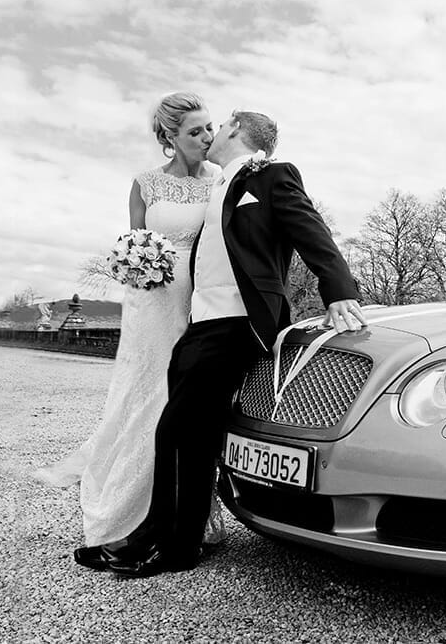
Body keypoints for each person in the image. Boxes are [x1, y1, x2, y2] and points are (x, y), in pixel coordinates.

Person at [88, 109, 367, 577]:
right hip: (199, 324)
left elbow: (313, 232)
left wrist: (339, 292)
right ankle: (171, 542)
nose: (212, 132)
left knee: (175, 431)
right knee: (190, 437)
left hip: (239, 324)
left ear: (236, 129)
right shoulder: (215, 186)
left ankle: (160, 542)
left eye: (219, 125)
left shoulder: (271, 176)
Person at [33, 92, 230, 558]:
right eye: (195, 131)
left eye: (210, 127)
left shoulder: (220, 179)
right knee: (147, 395)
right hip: (152, 302)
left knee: (189, 400)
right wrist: (137, 265)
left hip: (199, 299)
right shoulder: (144, 184)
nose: (207, 137)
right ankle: (128, 513)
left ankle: (191, 517)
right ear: (170, 138)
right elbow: (133, 243)